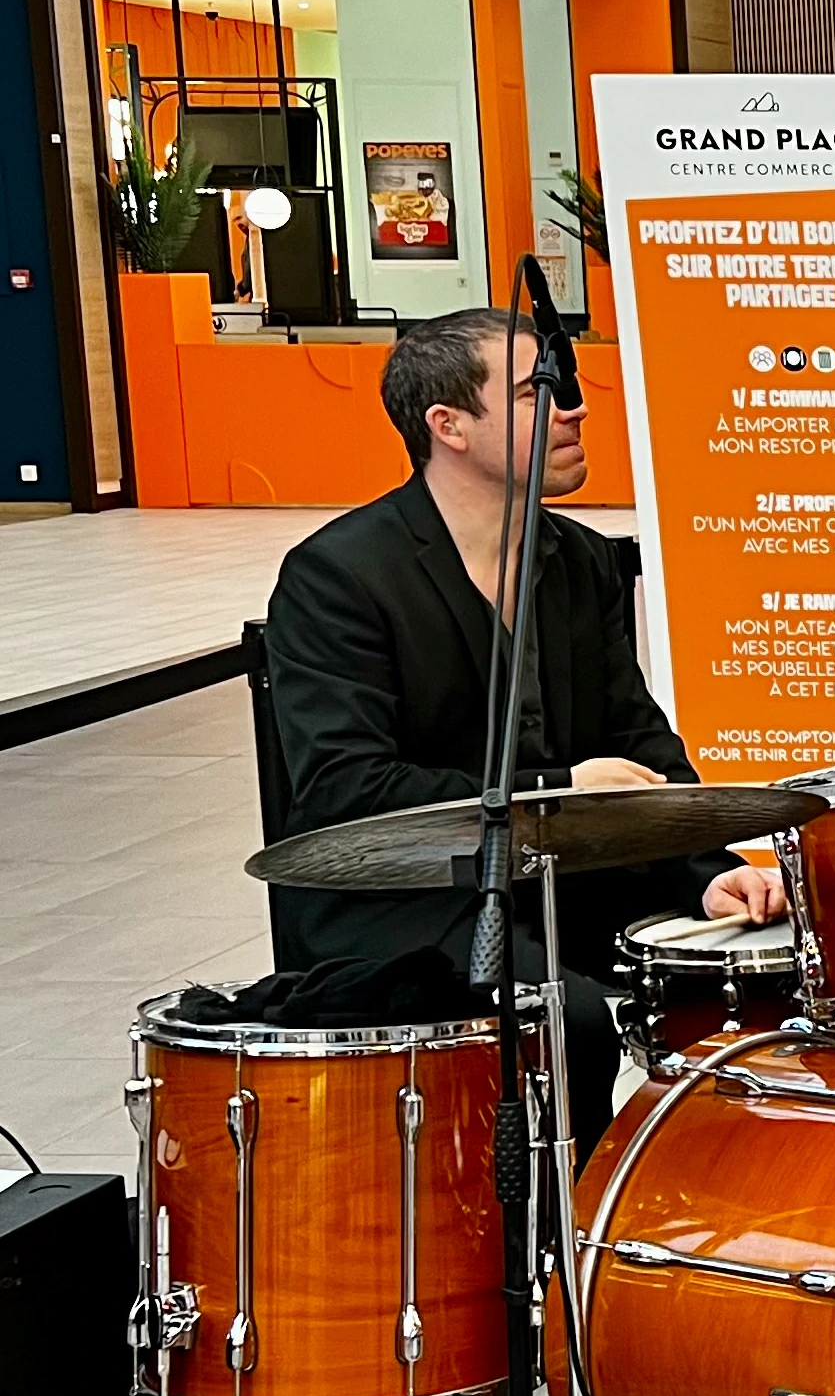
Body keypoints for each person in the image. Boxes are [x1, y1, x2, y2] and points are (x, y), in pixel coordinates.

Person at [263, 308, 784, 1156]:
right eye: (536, 391)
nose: (572, 408)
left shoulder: (579, 560)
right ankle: (553, 1249)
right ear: (449, 426)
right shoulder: (340, 576)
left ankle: (701, 1210)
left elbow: (641, 739)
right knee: (560, 1017)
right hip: (404, 897)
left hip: (561, 877)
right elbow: (342, 790)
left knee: (765, 963)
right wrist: (560, 792)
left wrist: (709, 872)